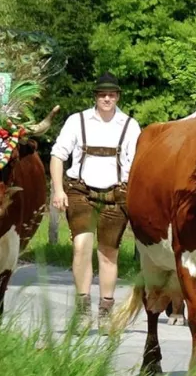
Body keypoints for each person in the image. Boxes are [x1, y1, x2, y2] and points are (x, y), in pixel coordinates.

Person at [50, 72, 139, 328]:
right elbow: (58, 155)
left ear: (118, 96)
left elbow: (137, 166)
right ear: (95, 97)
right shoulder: (77, 121)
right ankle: (83, 308)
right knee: (81, 247)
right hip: (80, 191)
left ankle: (105, 310)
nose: (107, 98)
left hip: (116, 194)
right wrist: (58, 190)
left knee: (109, 253)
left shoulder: (130, 126)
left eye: (111, 94)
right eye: (102, 94)